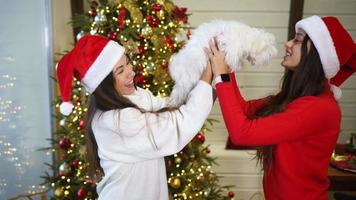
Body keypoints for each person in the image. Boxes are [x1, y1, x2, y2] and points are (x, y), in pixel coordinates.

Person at [205, 15, 356, 200]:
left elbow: (241, 133)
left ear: (318, 54)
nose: (288, 44)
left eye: (298, 40)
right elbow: (245, 110)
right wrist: (229, 66)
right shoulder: (297, 98)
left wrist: (222, 76)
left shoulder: (320, 108)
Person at [56, 35, 214, 200]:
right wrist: (208, 74)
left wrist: (199, 73)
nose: (131, 72)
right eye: (120, 71)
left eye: (128, 63)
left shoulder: (137, 96)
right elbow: (176, 126)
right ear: (104, 84)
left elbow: (171, 107)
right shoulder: (114, 121)